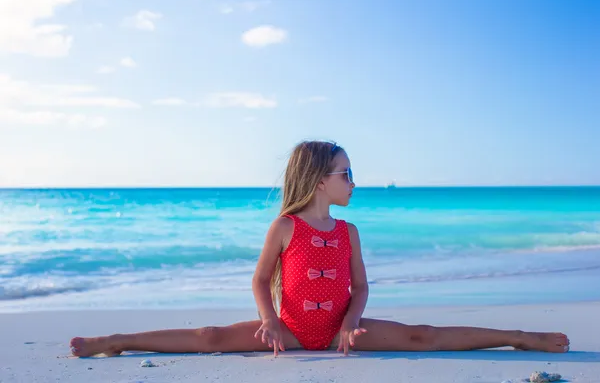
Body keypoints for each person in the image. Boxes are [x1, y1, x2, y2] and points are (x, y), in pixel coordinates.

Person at [70, 140, 570, 358]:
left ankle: (518, 336)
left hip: (341, 334)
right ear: (318, 181)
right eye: (346, 174)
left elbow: (361, 285)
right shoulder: (285, 226)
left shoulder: (348, 231)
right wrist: (267, 319)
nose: (354, 181)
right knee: (210, 335)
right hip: (285, 330)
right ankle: (118, 340)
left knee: (424, 336)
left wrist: (352, 321)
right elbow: (260, 279)